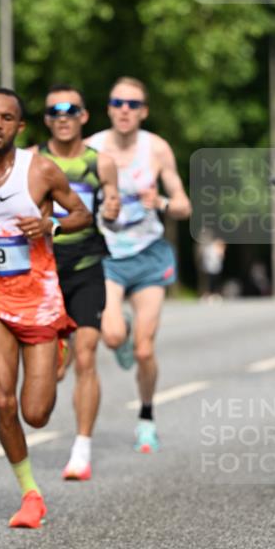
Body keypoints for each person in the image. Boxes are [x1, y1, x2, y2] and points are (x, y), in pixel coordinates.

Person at [0, 88, 91, 527]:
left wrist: (51, 224)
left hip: (41, 303)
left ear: (19, 127)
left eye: (7, 117)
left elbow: (83, 214)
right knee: (2, 399)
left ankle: (60, 347)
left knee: (36, 414)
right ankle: (30, 494)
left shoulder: (41, 170)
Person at [87, 76, 192, 453]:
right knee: (113, 336)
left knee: (144, 351)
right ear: (109, 108)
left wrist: (160, 201)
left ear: (143, 111)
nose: (125, 110)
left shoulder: (157, 149)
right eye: (118, 103)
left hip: (149, 255)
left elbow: (183, 205)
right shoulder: (92, 147)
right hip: (110, 256)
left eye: (133, 104)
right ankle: (123, 325)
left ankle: (146, 419)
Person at [37, 84, 120, 481]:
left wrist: (115, 208)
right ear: (46, 119)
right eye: (54, 111)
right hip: (44, 271)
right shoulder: (34, 162)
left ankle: (82, 448)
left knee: (86, 353)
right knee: (52, 369)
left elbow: (113, 207)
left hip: (87, 265)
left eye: (71, 109)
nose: (63, 116)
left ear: (84, 116)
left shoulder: (99, 163)